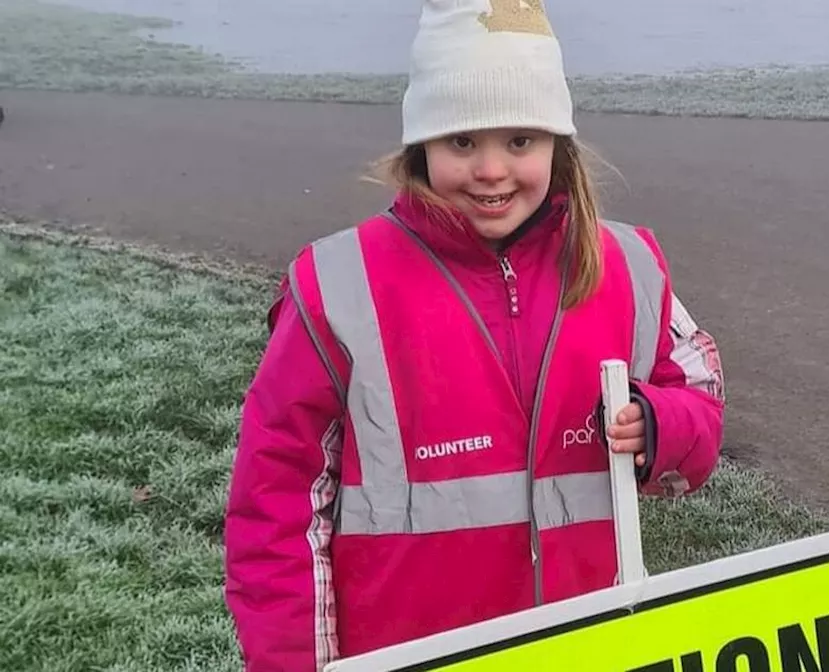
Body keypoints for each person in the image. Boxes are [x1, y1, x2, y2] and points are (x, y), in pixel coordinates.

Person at [221, 1, 726, 670]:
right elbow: (276, 505)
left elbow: (698, 382)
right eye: (462, 141)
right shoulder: (338, 286)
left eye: (520, 140)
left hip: (583, 647)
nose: (491, 170)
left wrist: (660, 425)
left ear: (558, 144)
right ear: (420, 145)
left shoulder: (623, 264)